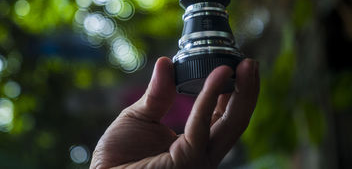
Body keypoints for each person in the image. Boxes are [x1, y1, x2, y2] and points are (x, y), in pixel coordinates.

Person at [90, 57, 260, 169]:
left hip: (187, 111)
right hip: (183, 121)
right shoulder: (127, 100)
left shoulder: (128, 97)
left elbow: (157, 99)